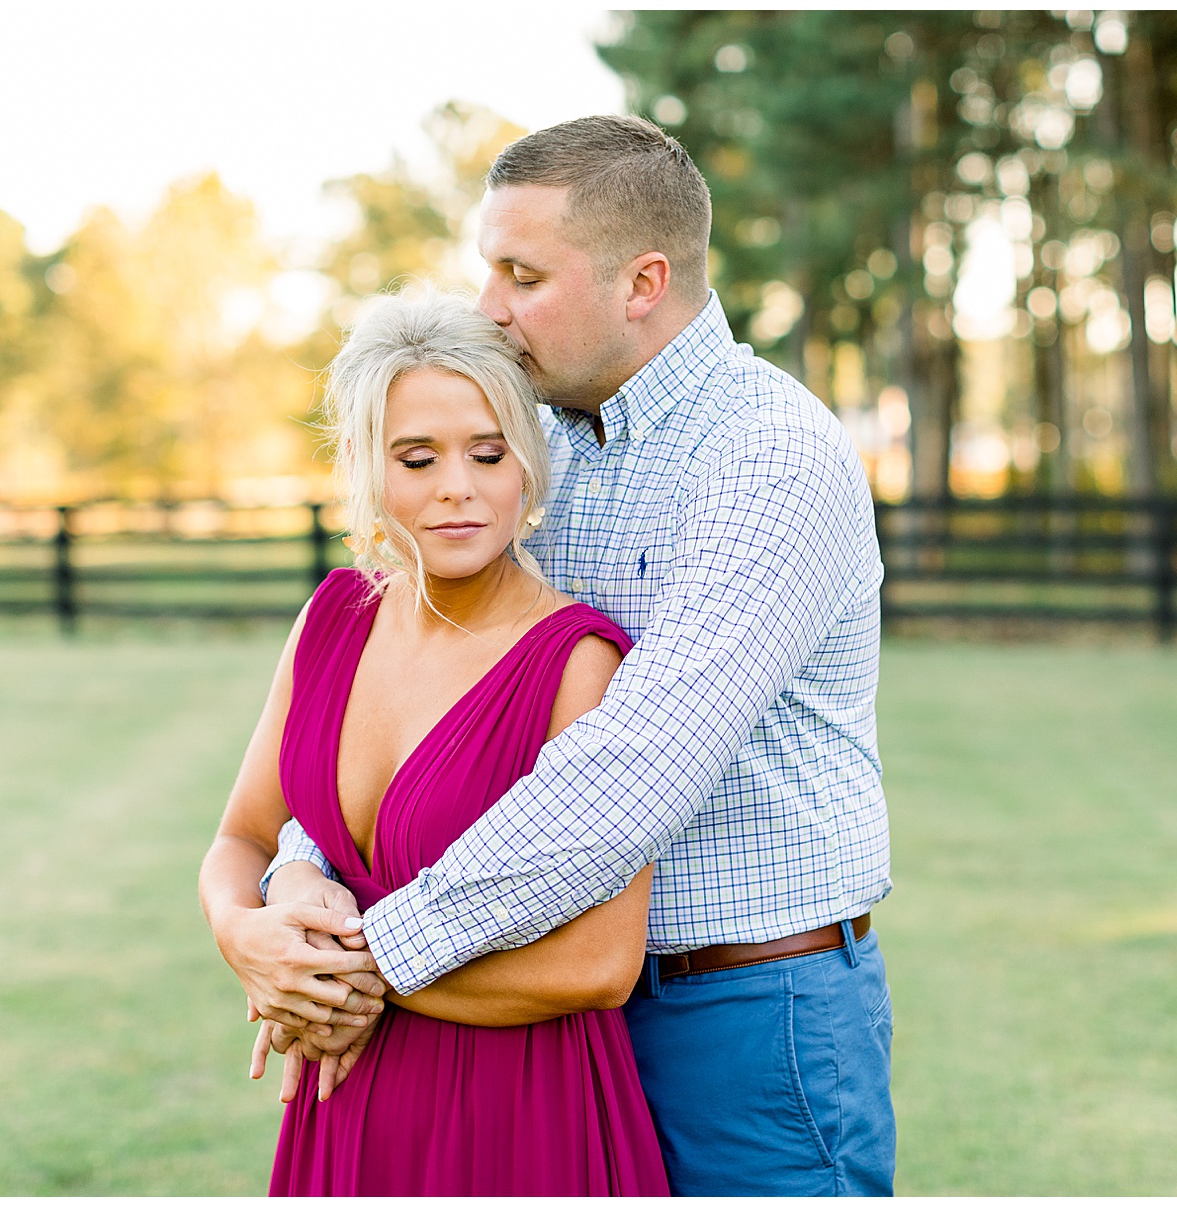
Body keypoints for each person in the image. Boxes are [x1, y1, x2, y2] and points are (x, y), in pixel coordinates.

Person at [237, 114, 896, 1196]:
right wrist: (302, 865)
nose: (490, 305)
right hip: (529, 1006)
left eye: (521, 274)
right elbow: (418, 701)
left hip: (744, 1014)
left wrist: (368, 959)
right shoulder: (533, 451)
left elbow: (628, 772)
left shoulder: (769, 459)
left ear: (642, 283)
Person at [198, 288, 670, 1195]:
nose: (459, 486)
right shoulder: (332, 619)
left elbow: (603, 965)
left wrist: (344, 983)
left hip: (521, 1108)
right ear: (369, 470)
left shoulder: (577, 664)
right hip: (346, 1098)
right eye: (418, 457)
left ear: (526, 467)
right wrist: (243, 934)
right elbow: (244, 837)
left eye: (488, 453)